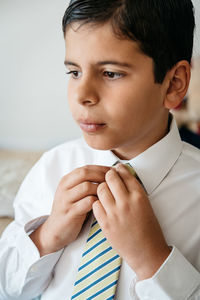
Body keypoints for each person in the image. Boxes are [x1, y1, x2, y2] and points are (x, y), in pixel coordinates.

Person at [0, 0, 200, 299]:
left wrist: (152, 259)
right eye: (74, 72)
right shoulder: (51, 168)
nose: (82, 95)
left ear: (174, 83)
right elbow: (8, 286)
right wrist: (48, 235)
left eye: (110, 73)